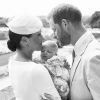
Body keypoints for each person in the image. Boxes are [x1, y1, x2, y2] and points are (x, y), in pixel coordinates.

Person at [43, 3, 100, 100]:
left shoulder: (93, 57)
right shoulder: (78, 51)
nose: (54, 35)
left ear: (65, 24)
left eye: (55, 29)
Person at [7, 14, 61, 100]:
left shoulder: (12, 61)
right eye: (39, 35)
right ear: (25, 40)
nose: (43, 38)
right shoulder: (36, 69)